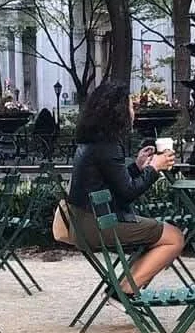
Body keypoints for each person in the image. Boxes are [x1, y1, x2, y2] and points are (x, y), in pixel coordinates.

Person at [64, 79, 184, 292]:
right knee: (174, 237)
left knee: (159, 234)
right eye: (129, 105)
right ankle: (125, 290)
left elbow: (112, 184)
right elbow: (128, 193)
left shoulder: (92, 142)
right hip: (98, 226)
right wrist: (155, 168)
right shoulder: (109, 146)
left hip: (83, 223)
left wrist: (138, 167)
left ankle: (124, 287)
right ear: (117, 111)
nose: (133, 110)